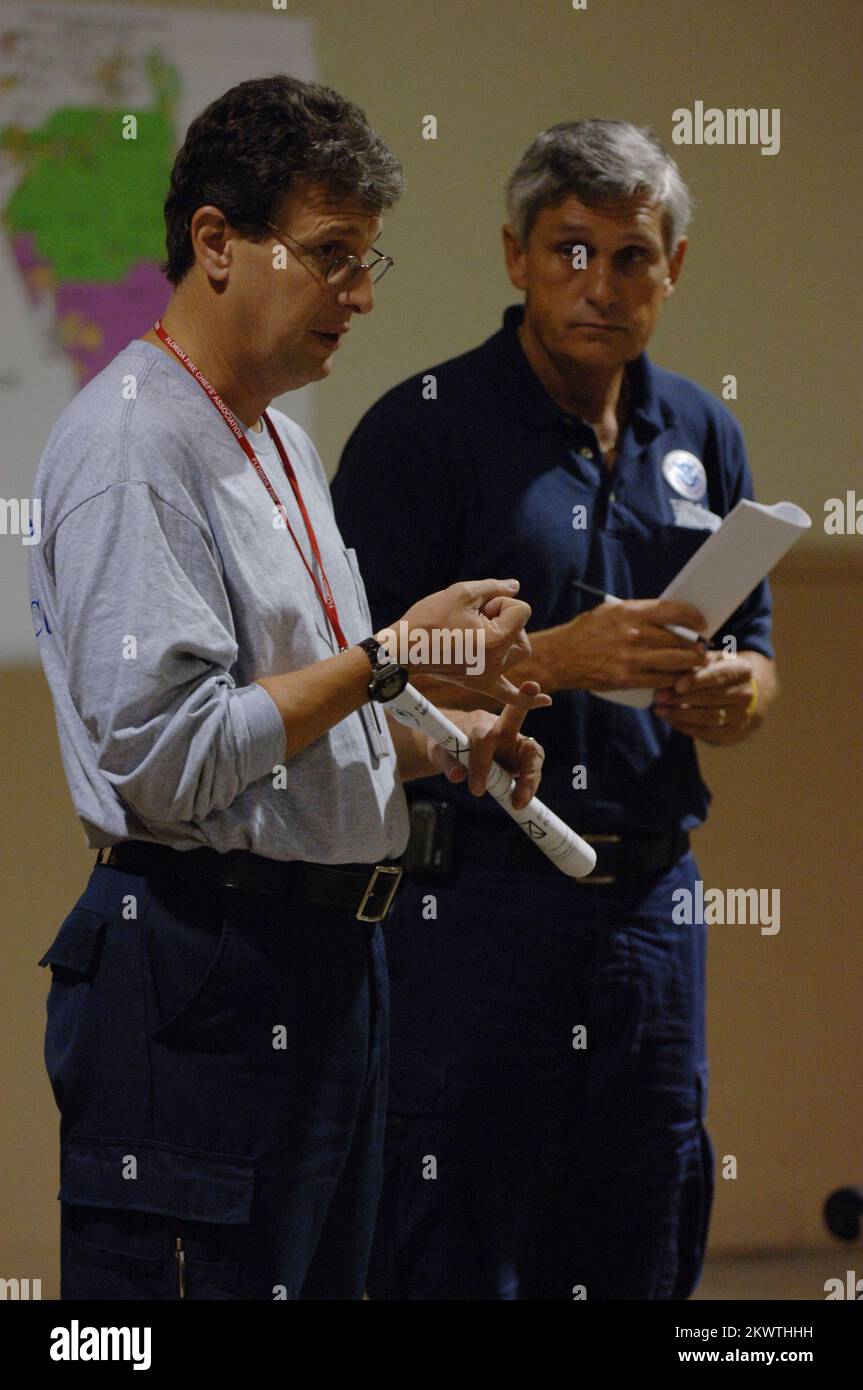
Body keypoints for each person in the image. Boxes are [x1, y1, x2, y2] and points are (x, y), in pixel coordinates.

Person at [27, 75, 550, 1302]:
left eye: (368, 259)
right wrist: (390, 657)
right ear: (216, 241)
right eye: (331, 255)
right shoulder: (133, 445)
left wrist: (441, 744)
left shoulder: (278, 437)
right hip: (204, 970)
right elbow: (171, 762)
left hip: (328, 965)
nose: (360, 295)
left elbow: (291, 722)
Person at [332, 118, 778, 1300]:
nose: (601, 284)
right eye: (569, 251)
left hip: (650, 900)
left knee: (640, 1227)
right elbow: (355, 681)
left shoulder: (702, 432)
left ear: (671, 266)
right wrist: (552, 660)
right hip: (476, 899)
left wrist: (734, 694)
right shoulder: (420, 429)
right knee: (454, 1239)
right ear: (514, 257)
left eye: (631, 256)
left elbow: (756, 652)